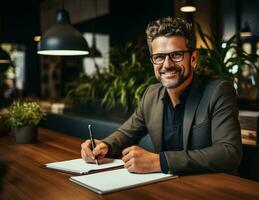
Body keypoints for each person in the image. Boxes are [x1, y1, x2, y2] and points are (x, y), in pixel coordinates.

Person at [81, 17, 242, 175]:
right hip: (166, 188)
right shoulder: (151, 94)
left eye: (176, 55)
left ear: (193, 58)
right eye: (159, 57)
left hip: (213, 189)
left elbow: (229, 153)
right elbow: (126, 134)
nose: (167, 64)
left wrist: (159, 162)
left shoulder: (219, 91)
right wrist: (105, 146)